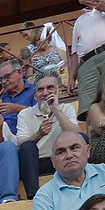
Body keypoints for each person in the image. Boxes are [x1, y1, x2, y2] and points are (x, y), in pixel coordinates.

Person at [15, 71, 82, 199]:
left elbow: (76, 136)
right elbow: (21, 144)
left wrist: (56, 110)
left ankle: (81, 185)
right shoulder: (25, 114)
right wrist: (38, 134)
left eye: (50, 88)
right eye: (40, 90)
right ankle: (33, 197)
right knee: (27, 146)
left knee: (81, 139)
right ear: (35, 96)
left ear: (58, 91)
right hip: (37, 163)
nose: (45, 93)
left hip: (61, 160)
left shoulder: (66, 109)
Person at [0, 60, 37, 134]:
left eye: (7, 76)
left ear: (19, 73)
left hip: (28, 135)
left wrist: (17, 109)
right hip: (4, 138)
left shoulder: (35, 90)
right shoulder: (2, 98)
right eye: (1, 79)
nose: (3, 81)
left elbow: (40, 114)